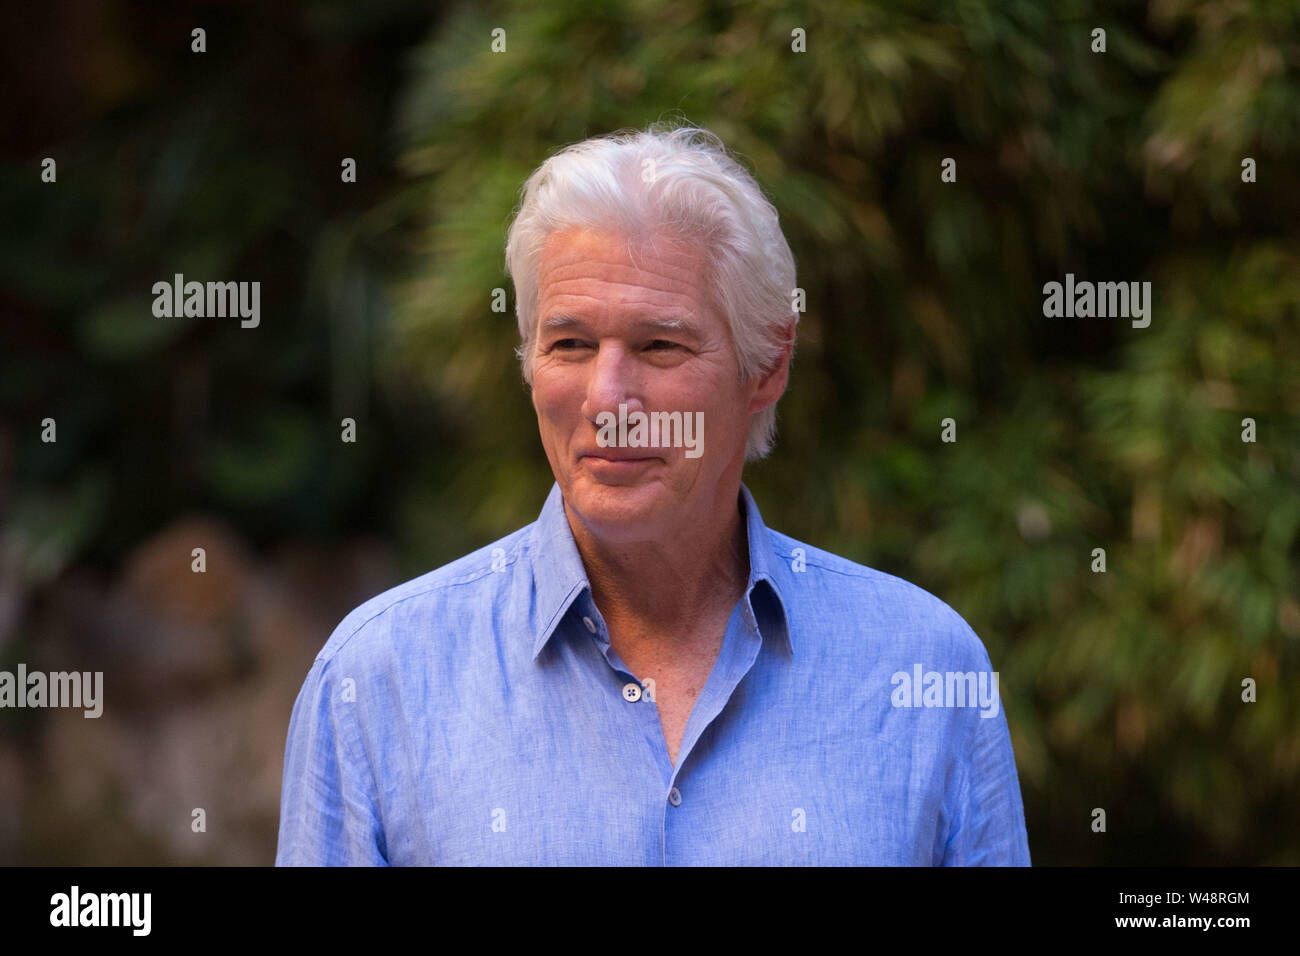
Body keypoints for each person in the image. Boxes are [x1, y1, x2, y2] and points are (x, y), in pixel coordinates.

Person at [275, 123, 1031, 865]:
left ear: (767, 364)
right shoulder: (379, 681)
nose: (608, 397)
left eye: (659, 345)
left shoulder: (926, 667)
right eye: (569, 343)